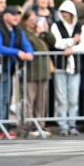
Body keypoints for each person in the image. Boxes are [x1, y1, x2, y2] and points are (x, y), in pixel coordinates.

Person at [0, 6, 35, 139]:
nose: (16, 17)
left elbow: (26, 45)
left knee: (6, 99)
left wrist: (29, 53)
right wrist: (18, 52)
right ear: (5, 16)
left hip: (9, 69)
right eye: (13, 15)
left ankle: (3, 126)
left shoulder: (17, 29)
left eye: (17, 15)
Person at [51, 0, 84, 137]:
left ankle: (72, 124)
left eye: (67, 12)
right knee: (61, 98)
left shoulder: (80, 27)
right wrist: (73, 41)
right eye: (62, 12)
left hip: (75, 67)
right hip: (60, 67)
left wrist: (71, 49)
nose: (64, 15)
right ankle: (63, 125)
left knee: (73, 99)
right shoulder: (56, 26)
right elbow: (57, 43)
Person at [21, 9, 55, 137]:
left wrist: (45, 32)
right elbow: (35, 48)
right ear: (24, 21)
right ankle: (28, 125)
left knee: (41, 101)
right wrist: (37, 35)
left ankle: (41, 125)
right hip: (30, 72)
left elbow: (52, 43)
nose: (34, 22)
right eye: (31, 20)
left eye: (35, 20)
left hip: (43, 72)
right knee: (30, 100)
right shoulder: (24, 34)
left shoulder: (40, 34)